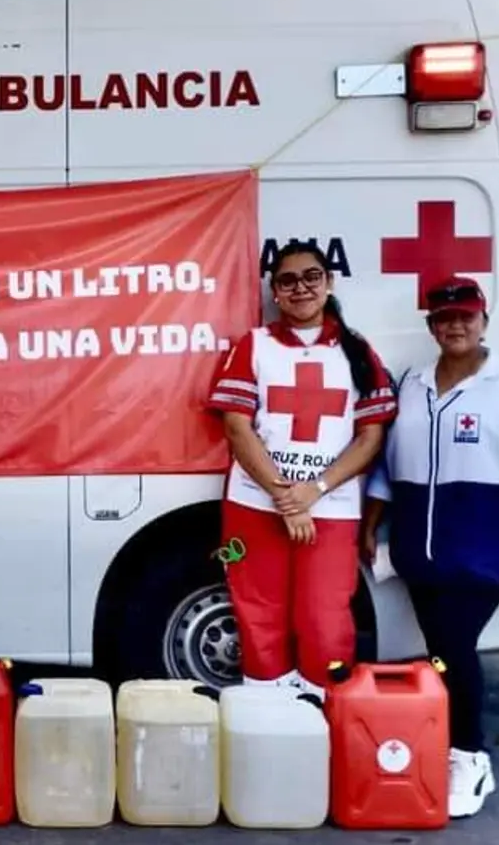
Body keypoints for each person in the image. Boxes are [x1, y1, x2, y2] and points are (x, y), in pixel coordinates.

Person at [360, 275, 499, 819]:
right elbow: (388, 467)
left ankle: (470, 755)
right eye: (445, 318)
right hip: (418, 552)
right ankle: (447, 742)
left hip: (483, 550)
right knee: (443, 652)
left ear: (484, 320)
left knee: (451, 650)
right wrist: (370, 524)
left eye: (466, 316)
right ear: (431, 326)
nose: (456, 325)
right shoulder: (413, 382)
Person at [206, 241, 396, 699]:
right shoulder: (253, 345)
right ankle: (268, 718)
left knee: (324, 618)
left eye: (312, 276)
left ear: (329, 283)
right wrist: (285, 498)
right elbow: (237, 428)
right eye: (287, 280)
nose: (301, 288)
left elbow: (371, 438)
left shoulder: (357, 351)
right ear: (275, 290)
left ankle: (322, 718)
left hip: (331, 509)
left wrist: (313, 491)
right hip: (254, 507)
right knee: (258, 613)